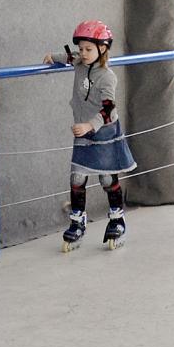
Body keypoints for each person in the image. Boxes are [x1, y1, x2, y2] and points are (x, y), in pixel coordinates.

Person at [44, 20, 136, 252]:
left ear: (102, 49)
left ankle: (117, 219)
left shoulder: (107, 77)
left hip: (103, 131)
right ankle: (77, 221)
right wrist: (52, 57)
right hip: (83, 130)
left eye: (88, 49)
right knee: (77, 177)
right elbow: (69, 57)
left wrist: (89, 125)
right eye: (81, 48)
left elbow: (109, 109)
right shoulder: (79, 62)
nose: (83, 53)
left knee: (107, 178)